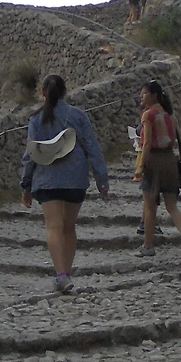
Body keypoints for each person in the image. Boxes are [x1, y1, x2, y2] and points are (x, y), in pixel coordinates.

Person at [20, 73, 110, 294]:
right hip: (75, 178)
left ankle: (60, 275)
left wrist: (26, 184)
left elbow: (31, 154)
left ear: (42, 93)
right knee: (69, 228)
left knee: (53, 226)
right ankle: (66, 275)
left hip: (46, 179)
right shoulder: (78, 116)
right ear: (65, 92)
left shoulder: (35, 119)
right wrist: (102, 179)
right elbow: (92, 147)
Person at [134, 79, 181, 256]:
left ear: (153, 96)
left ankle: (148, 246)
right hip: (170, 160)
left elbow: (147, 144)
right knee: (172, 205)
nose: (141, 97)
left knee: (150, 205)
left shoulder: (148, 115)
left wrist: (140, 166)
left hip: (154, 161)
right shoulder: (170, 115)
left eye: (144, 94)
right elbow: (180, 140)